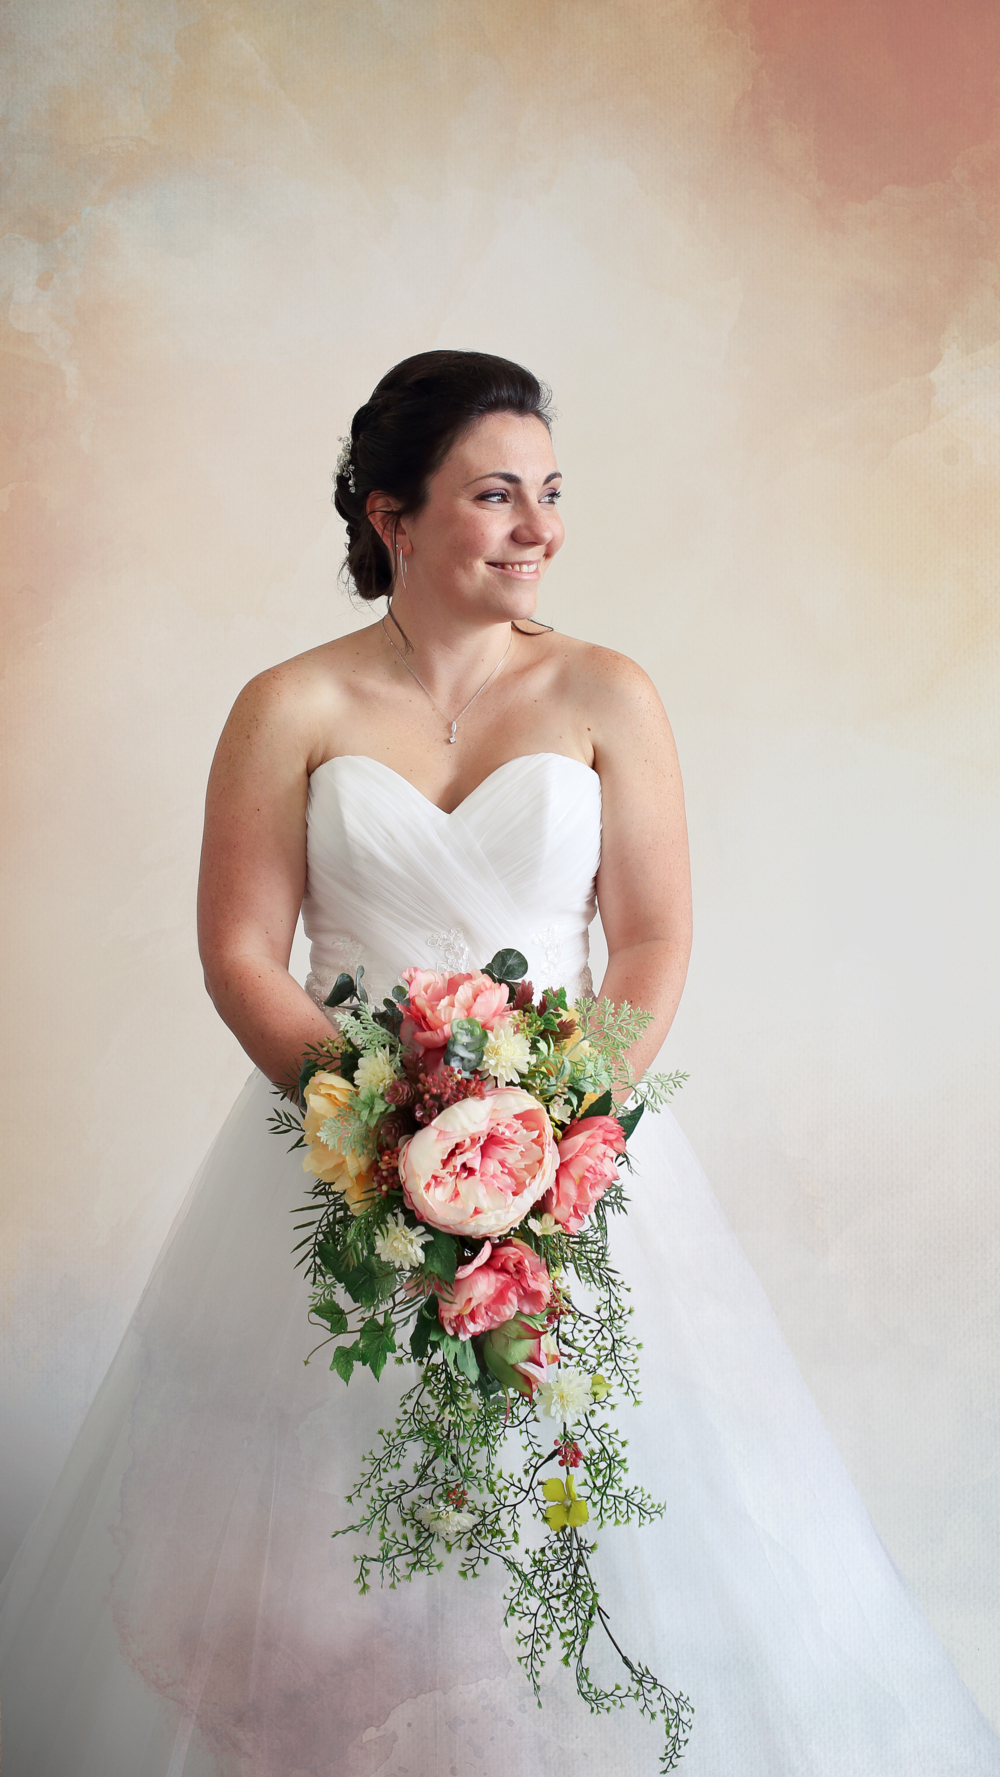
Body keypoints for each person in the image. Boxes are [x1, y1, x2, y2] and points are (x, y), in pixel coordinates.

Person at [0, 350, 997, 1777]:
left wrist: (552, 1126)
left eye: (551, 491)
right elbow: (240, 953)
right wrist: (384, 1126)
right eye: (496, 495)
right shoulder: (288, 704)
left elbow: (652, 939)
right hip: (331, 1160)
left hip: (571, 1163)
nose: (541, 529)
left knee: (581, 1494)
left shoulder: (608, 691)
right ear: (391, 515)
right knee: (321, 1529)